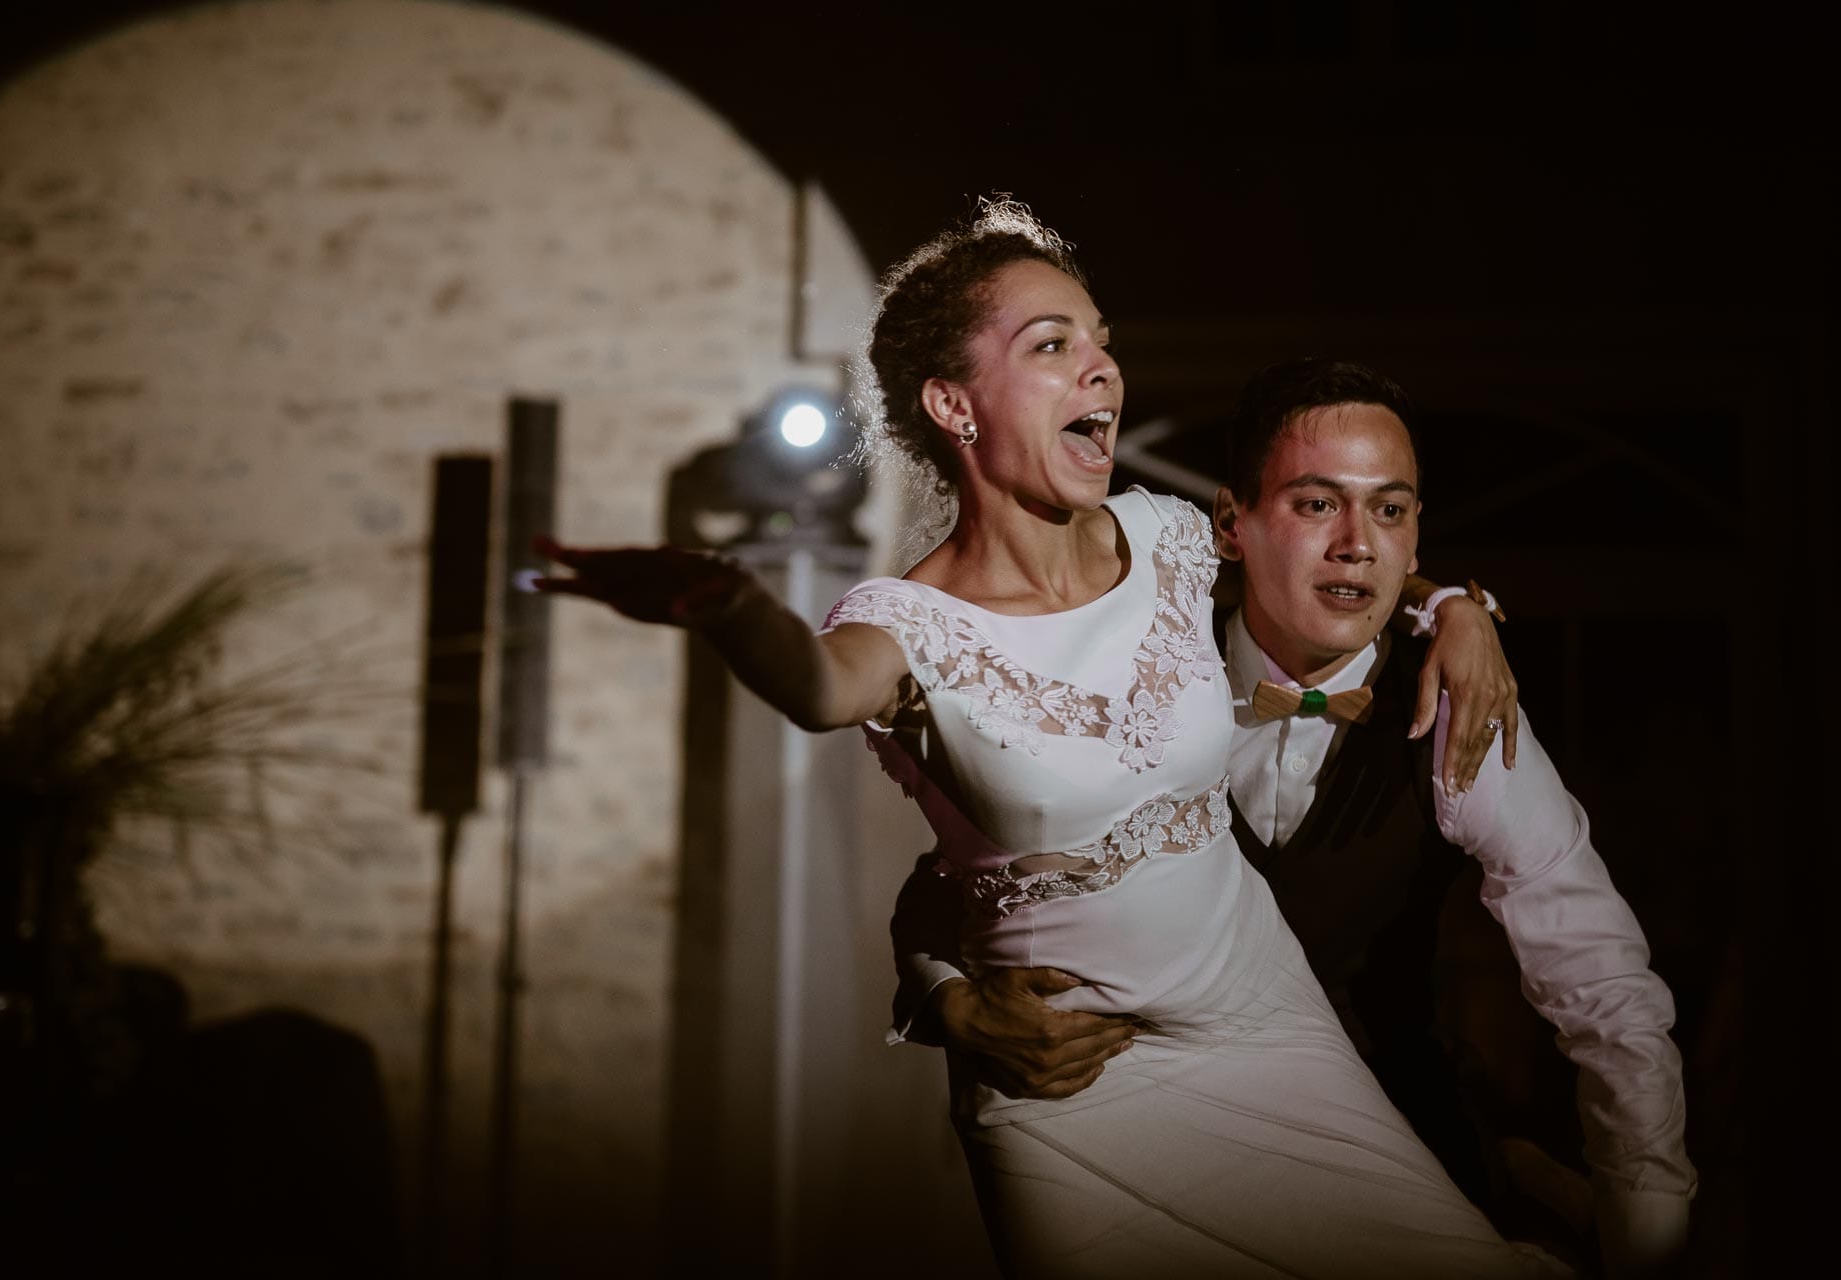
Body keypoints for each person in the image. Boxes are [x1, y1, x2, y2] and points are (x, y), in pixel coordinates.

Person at [538, 201, 1537, 1277]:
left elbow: (1330, 570)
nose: (1100, 369)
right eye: (1053, 346)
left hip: (1262, 1032)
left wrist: (1454, 608)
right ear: (951, 404)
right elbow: (819, 689)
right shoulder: (908, 625)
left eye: (1101, 341)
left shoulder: (1166, 539)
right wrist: (725, 604)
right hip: (1058, 1088)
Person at [888, 358, 1696, 1277]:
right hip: (1151, 1171)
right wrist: (947, 1001)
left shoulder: (1454, 711)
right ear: (1231, 524)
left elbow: (1603, 984)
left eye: (1390, 510)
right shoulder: (1132, 672)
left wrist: (1648, 1233)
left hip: (1403, 1169)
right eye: (1317, 505)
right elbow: (960, 871)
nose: (1358, 544)